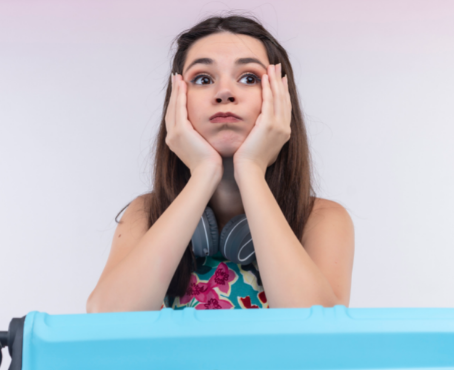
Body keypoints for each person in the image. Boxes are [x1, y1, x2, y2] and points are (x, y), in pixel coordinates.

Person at [86, 14, 355, 313]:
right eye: (203, 79)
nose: (225, 93)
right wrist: (204, 173)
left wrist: (251, 169)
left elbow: (317, 334)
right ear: (178, 101)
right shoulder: (146, 214)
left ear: (281, 100)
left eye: (249, 78)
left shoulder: (322, 219)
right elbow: (106, 318)